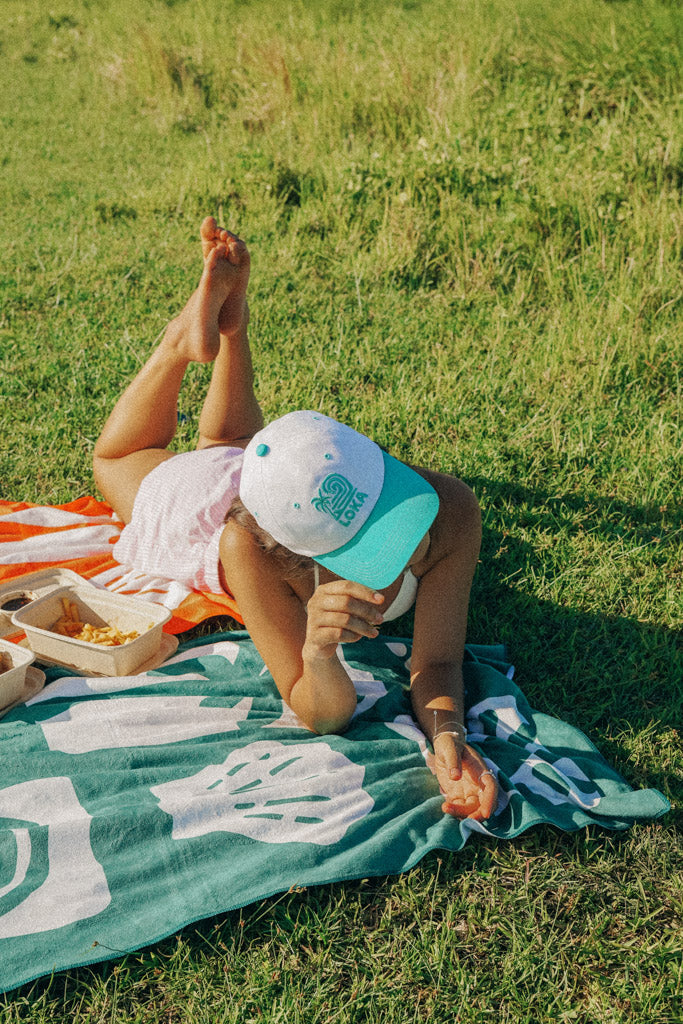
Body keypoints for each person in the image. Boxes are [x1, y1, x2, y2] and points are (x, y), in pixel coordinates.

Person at [93, 217, 497, 823]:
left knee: (237, 441)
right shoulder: (244, 548)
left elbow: (437, 663)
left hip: (282, 472)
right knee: (113, 460)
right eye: (376, 544)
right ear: (301, 555)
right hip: (194, 502)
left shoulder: (449, 509)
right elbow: (320, 712)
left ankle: (232, 323)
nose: (414, 550)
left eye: (392, 512)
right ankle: (180, 340)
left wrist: (448, 740)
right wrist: (317, 654)